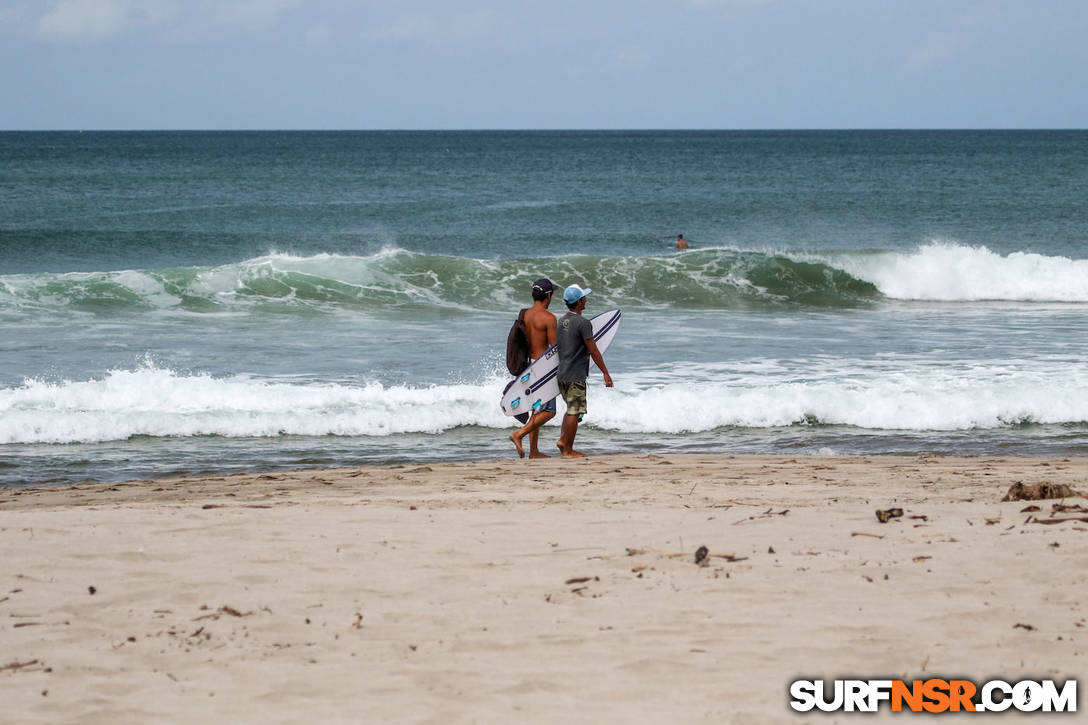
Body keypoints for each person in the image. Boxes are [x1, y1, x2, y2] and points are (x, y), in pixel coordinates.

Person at [555, 284, 613, 458]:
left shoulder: (561, 321)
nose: (586, 299)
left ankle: (563, 441)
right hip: (575, 374)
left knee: (570, 409)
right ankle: (567, 450)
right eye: (584, 298)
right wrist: (605, 372)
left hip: (562, 374)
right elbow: (593, 350)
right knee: (575, 410)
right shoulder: (583, 323)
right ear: (579, 302)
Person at [509, 278, 559, 459]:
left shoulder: (525, 314)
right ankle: (518, 434)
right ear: (548, 295)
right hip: (541, 367)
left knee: (536, 409)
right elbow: (554, 349)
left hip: (527, 366)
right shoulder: (549, 318)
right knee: (549, 411)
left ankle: (534, 451)